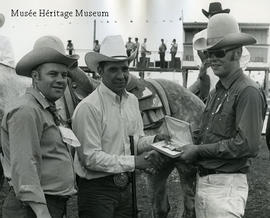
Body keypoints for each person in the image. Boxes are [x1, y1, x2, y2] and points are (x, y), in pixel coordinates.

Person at [178, 13, 267, 218]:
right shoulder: (217, 91)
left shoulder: (248, 92)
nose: (211, 59)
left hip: (226, 186)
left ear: (236, 53)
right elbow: (208, 134)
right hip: (207, 183)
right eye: (209, 54)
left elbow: (247, 145)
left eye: (218, 53)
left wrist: (198, 150)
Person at [72, 35, 169, 218]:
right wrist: (135, 162)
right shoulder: (88, 107)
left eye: (124, 69)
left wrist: (155, 140)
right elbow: (90, 158)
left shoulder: (132, 101)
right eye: (113, 69)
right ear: (100, 70)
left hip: (126, 187)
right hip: (97, 191)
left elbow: (136, 140)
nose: (121, 75)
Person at [1, 35, 78, 218]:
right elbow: (25, 165)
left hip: (46, 204)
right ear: (35, 76)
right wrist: (42, 211)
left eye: (64, 75)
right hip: (33, 208)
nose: (61, 80)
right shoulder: (27, 110)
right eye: (53, 74)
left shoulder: (44, 108)